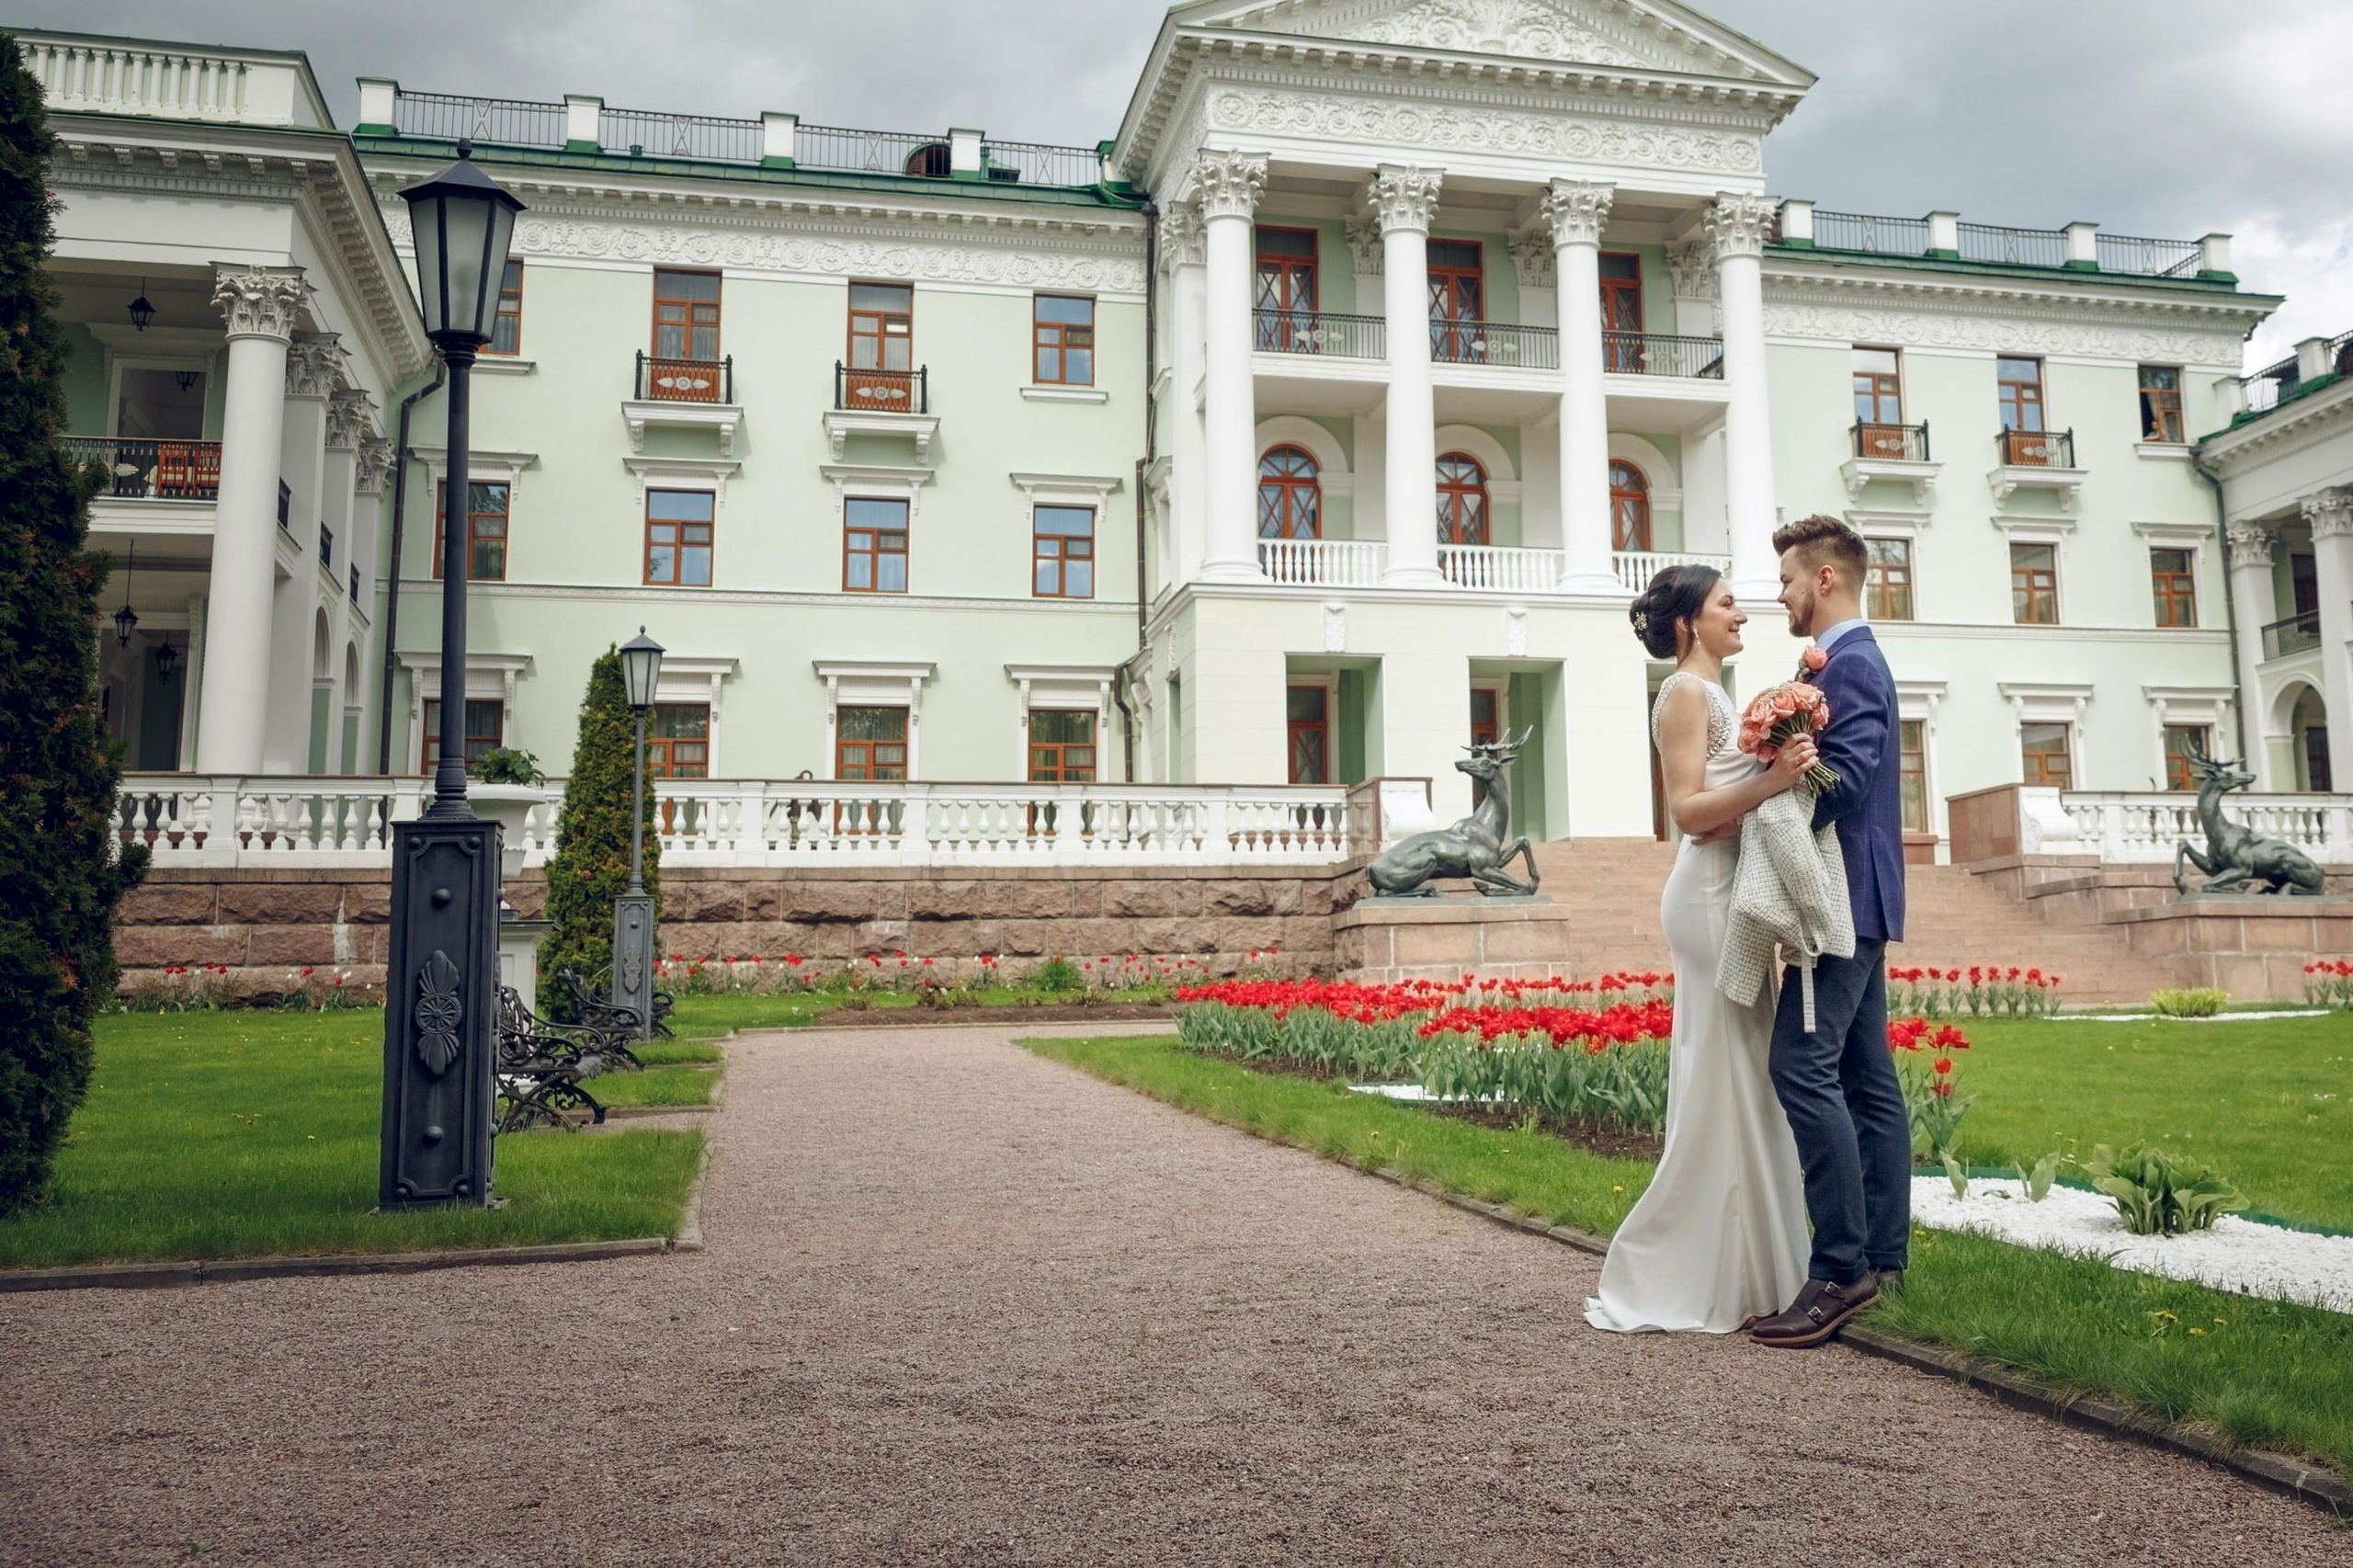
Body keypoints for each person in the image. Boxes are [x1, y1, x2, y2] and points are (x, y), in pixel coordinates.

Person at [1585, 564, 1816, 1335]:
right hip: (1712, 897)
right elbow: (1689, 811)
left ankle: (1754, 1267)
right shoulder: (1685, 693)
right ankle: (1695, 1266)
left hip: (1732, 894)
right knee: (1726, 1077)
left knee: (1744, 1079)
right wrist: (1775, 778)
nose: (1741, 613)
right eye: (1725, 604)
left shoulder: (1715, 694)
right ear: (1687, 623)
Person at [1746, 515, 1912, 1349]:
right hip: (1857, 897)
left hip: (1838, 902)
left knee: (1800, 1066)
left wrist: (1781, 758)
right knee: (1865, 1077)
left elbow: (1846, 785)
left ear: (1825, 580)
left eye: (1784, 580)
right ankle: (1882, 1258)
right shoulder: (1841, 662)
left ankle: (1840, 1269)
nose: (1776, 594)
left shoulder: (1851, 664)